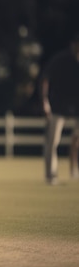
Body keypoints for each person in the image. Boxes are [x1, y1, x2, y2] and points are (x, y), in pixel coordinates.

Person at [41, 33, 79, 184]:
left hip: (77, 107)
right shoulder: (60, 59)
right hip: (58, 106)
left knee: (76, 141)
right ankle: (51, 175)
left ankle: (73, 170)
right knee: (53, 141)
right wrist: (45, 100)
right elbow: (45, 78)